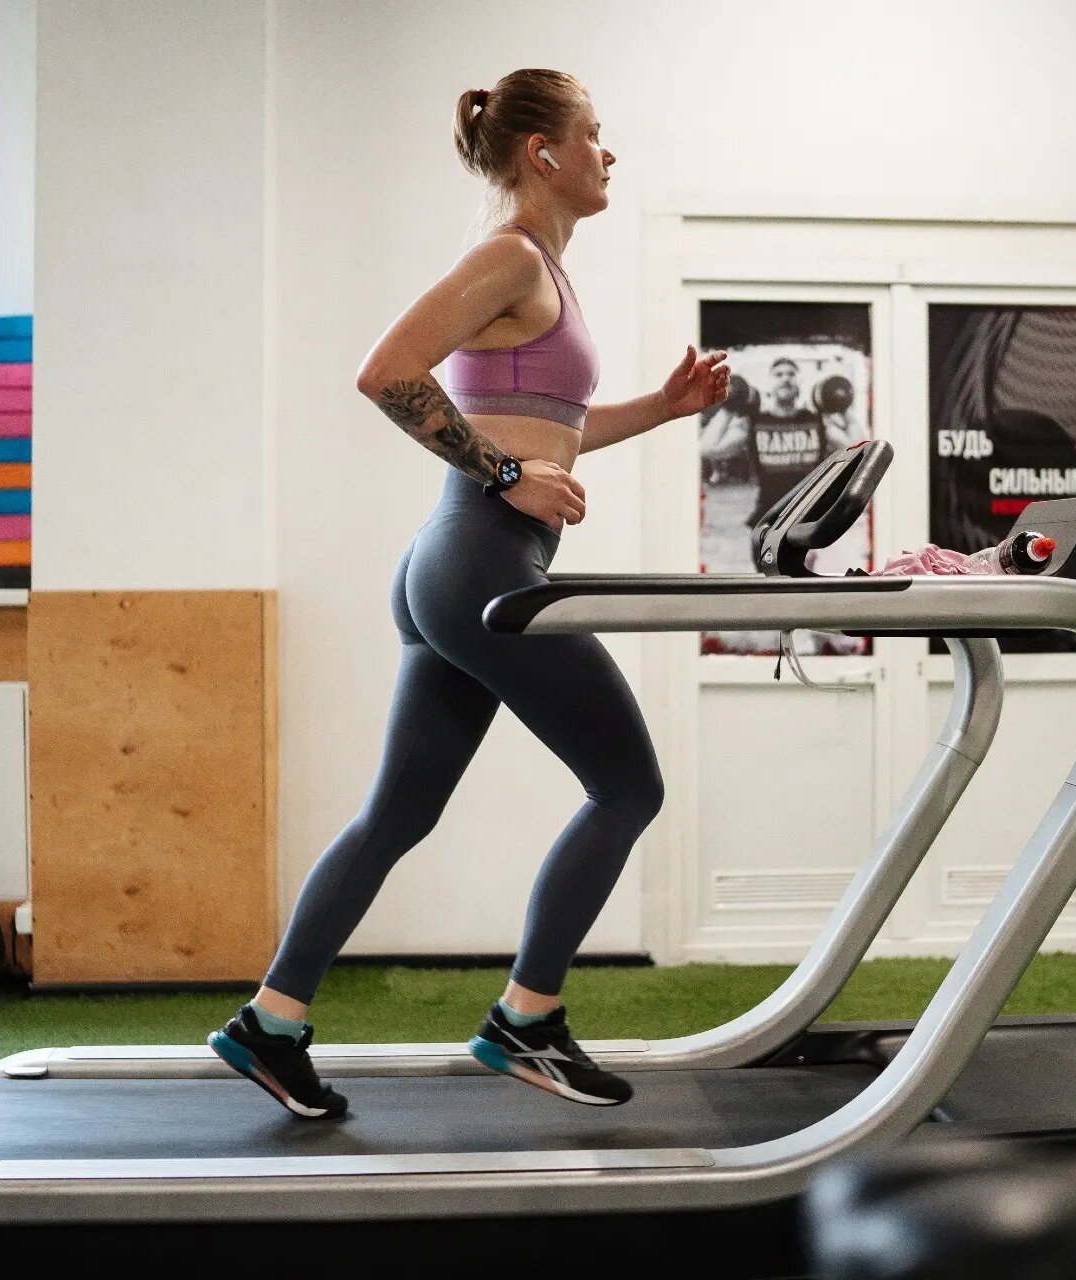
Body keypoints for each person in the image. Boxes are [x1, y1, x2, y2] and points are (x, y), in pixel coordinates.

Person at [208, 69, 730, 1119]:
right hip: (480, 559)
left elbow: (551, 432)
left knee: (397, 811)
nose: (608, 152)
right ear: (543, 151)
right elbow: (385, 370)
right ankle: (526, 1017)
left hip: (465, 563)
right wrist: (500, 476)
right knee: (628, 785)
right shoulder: (507, 256)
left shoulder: (541, 271)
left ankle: (272, 1017)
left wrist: (661, 411)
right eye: (594, 133)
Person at [701, 357, 856, 528]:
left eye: (791, 374)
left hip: (806, 523)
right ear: (769, 386)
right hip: (767, 521)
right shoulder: (754, 423)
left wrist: (844, 407)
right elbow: (708, 449)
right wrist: (729, 406)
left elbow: (859, 448)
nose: (785, 378)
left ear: (799, 385)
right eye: (779, 374)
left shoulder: (818, 422)